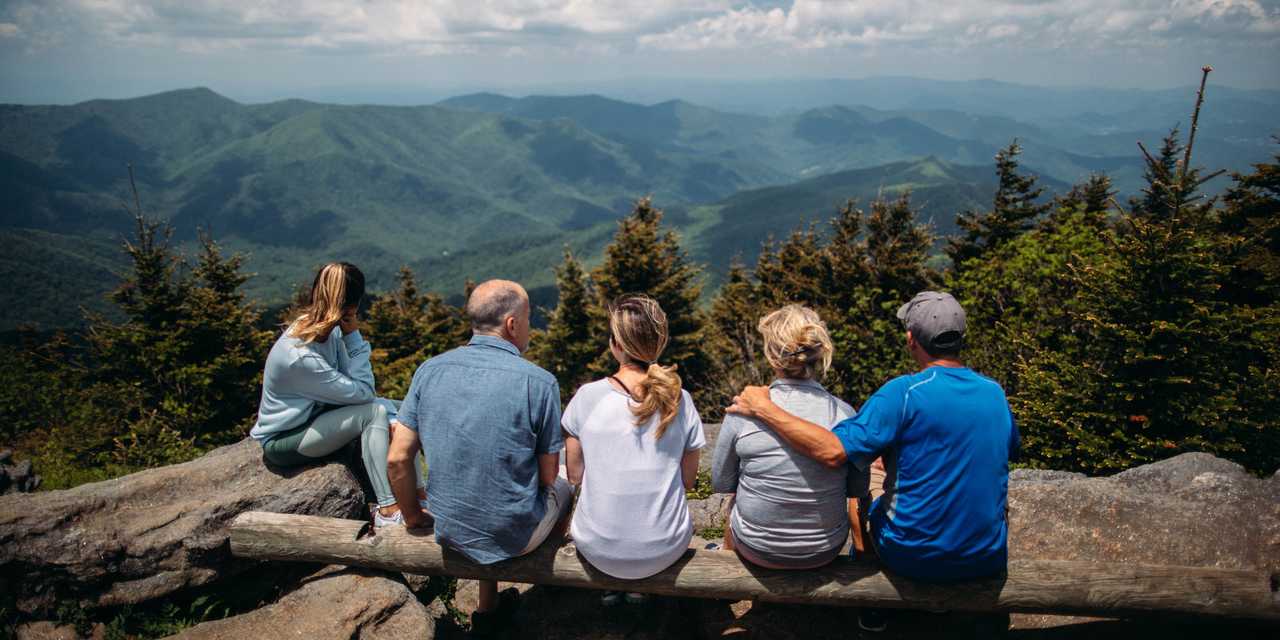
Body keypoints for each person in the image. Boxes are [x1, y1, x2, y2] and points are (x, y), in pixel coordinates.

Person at [727, 291, 1019, 631]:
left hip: (912, 556)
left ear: (911, 339)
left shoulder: (903, 392)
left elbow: (834, 451)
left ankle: (872, 604)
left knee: (866, 483)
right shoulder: (994, 392)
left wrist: (764, 408)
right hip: (984, 556)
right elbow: (1004, 450)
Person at [385, 279, 571, 635]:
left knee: (481, 481)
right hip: (515, 536)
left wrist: (411, 515)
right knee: (566, 487)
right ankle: (552, 583)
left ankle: (487, 608)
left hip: (449, 527)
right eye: (529, 319)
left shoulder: (429, 370)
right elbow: (548, 479)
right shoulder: (540, 382)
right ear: (512, 324)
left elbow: (397, 458)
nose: (530, 327)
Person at [250, 262, 425, 528]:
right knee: (375, 413)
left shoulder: (324, 331)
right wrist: (354, 336)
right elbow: (365, 393)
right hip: (285, 439)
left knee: (406, 410)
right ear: (352, 306)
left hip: (317, 417)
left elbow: (354, 387)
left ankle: (419, 497)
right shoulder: (301, 356)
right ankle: (388, 510)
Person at [561, 294, 706, 605]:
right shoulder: (681, 400)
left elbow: (575, 475)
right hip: (665, 547)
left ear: (616, 344)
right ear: (659, 344)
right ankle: (640, 589)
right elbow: (689, 480)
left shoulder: (587, 397)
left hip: (599, 548)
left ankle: (613, 585)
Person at [710, 305, 856, 570]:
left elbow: (722, 482)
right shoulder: (845, 413)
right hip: (825, 550)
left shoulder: (744, 410)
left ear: (772, 357)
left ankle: (725, 561)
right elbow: (856, 488)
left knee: (735, 500)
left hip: (757, 549)